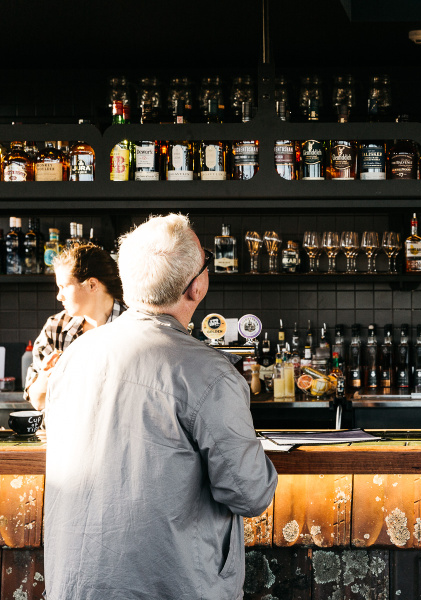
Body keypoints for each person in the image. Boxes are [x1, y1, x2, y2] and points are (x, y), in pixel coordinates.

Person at [44, 214, 277, 600]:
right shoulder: (210, 374)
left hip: (73, 588)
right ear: (197, 286)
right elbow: (249, 494)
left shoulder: (74, 357)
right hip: (172, 589)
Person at [24, 243, 124, 411]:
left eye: (63, 287)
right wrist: (47, 375)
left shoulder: (133, 326)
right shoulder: (56, 328)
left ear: (92, 285)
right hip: (64, 427)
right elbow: (38, 402)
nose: (59, 296)